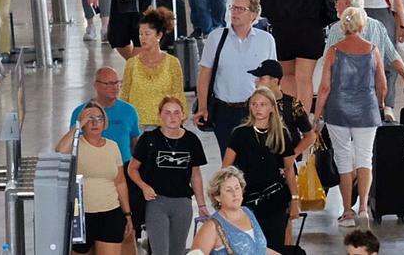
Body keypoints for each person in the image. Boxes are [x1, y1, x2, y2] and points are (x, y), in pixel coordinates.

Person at [315, 7, 388, 229]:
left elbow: (325, 87)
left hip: (338, 110)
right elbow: (381, 84)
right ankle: (363, 208)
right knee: (365, 158)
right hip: (366, 110)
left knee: (343, 158)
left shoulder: (334, 51)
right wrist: (380, 104)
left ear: (343, 26)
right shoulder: (373, 50)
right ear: (363, 25)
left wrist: (317, 115)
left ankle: (347, 211)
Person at [194, 0, 278, 155]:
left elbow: (272, 78)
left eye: (241, 9)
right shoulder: (216, 37)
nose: (235, 12)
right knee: (229, 160)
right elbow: (204, 74)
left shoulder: (266, 40)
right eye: (233, 8)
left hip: (255, 110)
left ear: (253, 15)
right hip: (224, 110)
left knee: (256, 158)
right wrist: (203, 107)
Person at [128, 97, 210, 255]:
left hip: (182, 203)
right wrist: (144, 186)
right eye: (167, 113)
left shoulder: (191, 140)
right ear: (160, 115)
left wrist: (201, 205)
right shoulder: (149, 139)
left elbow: (195, 174)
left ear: (182, 116)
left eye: (176, 113)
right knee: (160, 251)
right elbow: (132, 168)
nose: (172, 117)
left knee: (177, 251)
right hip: (157, 202)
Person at [261, 0, 337, 104]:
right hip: (310, 34)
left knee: (287, 77)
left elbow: (264, 4)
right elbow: (331, 9)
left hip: (284, 34)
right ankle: (304, 122)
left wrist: (279, 19)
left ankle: (290, 119)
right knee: (305, 79)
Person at [223, 88, 300, 251]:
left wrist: (295, 198)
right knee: (249, 246)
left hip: (275, 199)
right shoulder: (240, 133)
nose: (258, 108)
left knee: (274, 246)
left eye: (263, 104)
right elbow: (226, 168)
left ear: (272, 107)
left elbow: (289, 169)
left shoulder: (281, 134)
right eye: (254, 104)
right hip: (248, 200)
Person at [326, 0, 404, 115]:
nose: (335, 6)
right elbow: (393, 57)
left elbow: (327, 67)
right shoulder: (377, 26)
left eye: (337, 2)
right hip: (371, 94)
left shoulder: (337, 29)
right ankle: (387, 111)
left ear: (346, 3)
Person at [58, 102, 133, 255]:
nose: (94, 123)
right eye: (90, 119)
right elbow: (60, 150)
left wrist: (127, 214)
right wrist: (77, 126)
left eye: (99, 119)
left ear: (105, 122)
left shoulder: (113, 146)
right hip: (82, 216)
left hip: (110, 213)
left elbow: (120, 182)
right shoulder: (76, 145)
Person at [121, 7, 188, 128]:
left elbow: (178, 96)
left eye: (147, 34)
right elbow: (124, 96)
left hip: (164, 127)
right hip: (136, 128)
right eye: (140, 34)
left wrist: (179, 121)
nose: (142, 38)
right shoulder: (131, 64)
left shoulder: (172, 63)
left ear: (159, 35)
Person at [189, 167, 274, 254]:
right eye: (228, 190)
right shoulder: (212, 226)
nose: (235, 193)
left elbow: (258, 248)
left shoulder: (247, 212)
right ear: (217, 196)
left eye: (237, 188)